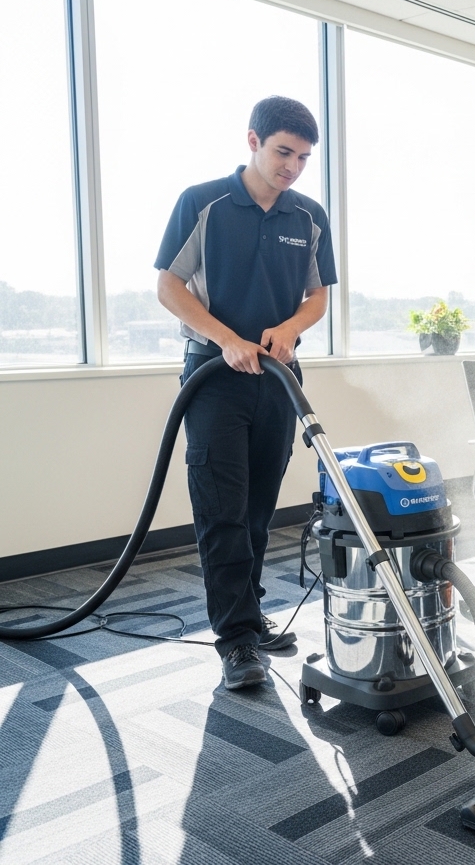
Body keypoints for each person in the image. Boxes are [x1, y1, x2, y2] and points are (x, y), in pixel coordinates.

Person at [155, 96, 336, 690]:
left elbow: (317, 296)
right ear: (253, 141)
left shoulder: (308, 215)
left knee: (259, 507)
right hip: (213, 380)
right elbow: (170, 286)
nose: (292, 167)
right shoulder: (202, 202)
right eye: (284, 152)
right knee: (222, 506)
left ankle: (250, 615)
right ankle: (235, 640)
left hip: (278, 381)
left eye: (304, 158)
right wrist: (227, 338)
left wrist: (287, 331)